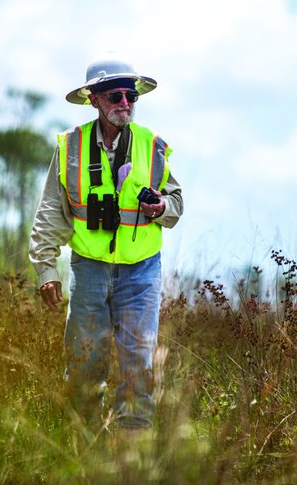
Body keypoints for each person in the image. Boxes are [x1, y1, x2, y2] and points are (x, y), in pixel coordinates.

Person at [29, 57, 183, 432]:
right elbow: (51, 210)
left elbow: (176, 202)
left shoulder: (153, 145)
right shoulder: (70, 147)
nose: (125, 103)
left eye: (131, 96)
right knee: (85, 363)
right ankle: (85, 447)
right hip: (89, 269)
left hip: (142, 272)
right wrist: (46, 269)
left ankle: (133, 453)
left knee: (139, 365)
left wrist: (161, 206)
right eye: (116, 96)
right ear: (94, 100)